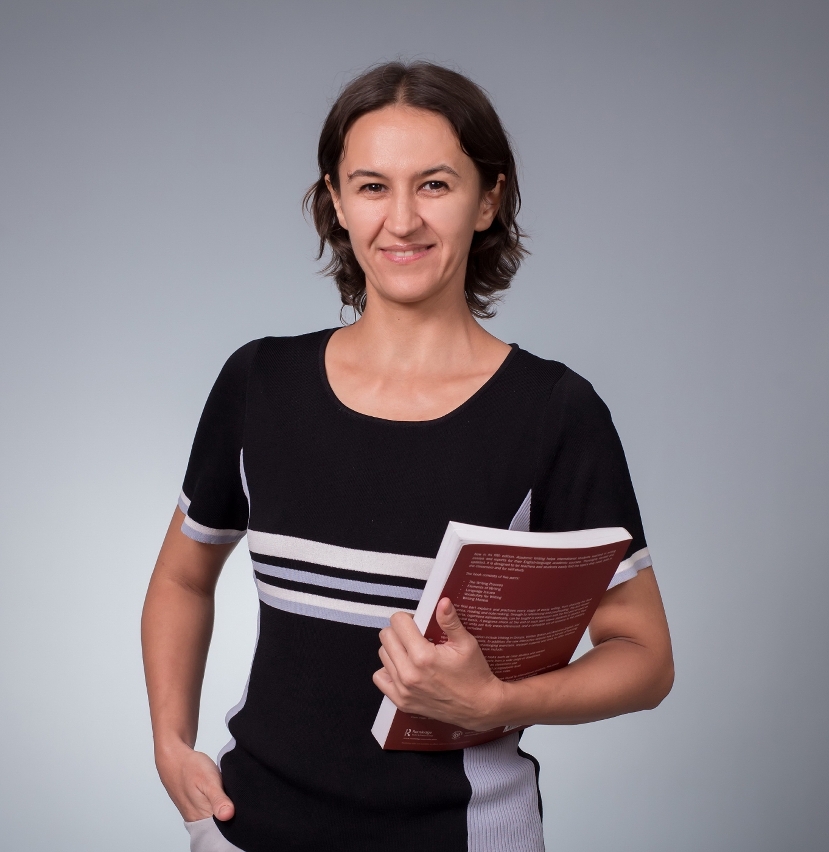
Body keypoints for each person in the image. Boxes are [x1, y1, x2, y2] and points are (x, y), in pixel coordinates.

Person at [141, 61, 674, 852]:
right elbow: (184, 578)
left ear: (487, 200)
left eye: (433, 184)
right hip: (246, 831)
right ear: (335, 200)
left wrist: (497, 701)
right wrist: (170, 743)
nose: (401, 220)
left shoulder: (553, 414)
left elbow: (644, 657)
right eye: (371, 186)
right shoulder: (258, 383)